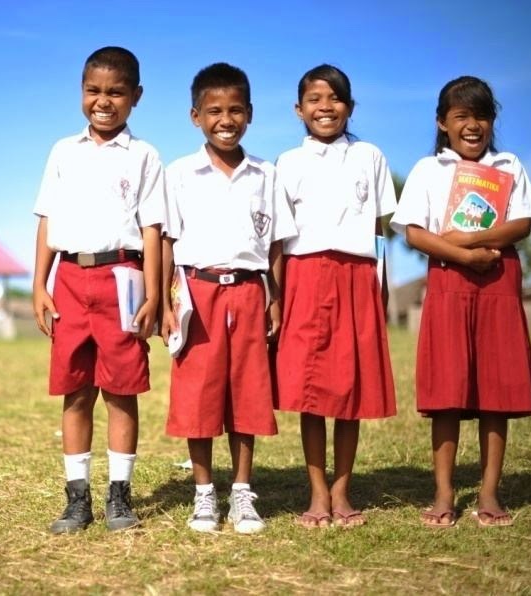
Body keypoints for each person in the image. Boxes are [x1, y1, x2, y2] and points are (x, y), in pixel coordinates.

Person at [390, 76, 531, 528]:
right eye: (461, 116)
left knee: (496, 387)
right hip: (446, 282)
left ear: (492, 121)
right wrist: (461, 254)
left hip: (498, 278)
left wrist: (471, 239)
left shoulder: (509, 164)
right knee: (447, 391)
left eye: (481, 115)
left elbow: (521, 225)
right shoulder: (427, 170)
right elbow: (416, 233)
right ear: (443, 123)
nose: (472, 125)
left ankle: (490, 492)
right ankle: (444, 492)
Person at [32, 46, 164, 534]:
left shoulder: (146, 155)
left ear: (135, 97)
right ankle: (77, 497)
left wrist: (153, 292)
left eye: (115, 92)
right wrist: (38, 284)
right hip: (69, 278)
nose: (103, 101)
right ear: (81, 92)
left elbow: (152, 229)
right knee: (76, 389)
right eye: (93, 91)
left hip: (122, 278)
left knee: (122, 390)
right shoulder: (63, 151)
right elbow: (48, 219)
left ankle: (119, 496)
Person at [161, 63, 296, 534]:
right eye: (214, 110)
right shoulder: (179, 173)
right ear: (195, 115)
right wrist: (163, 302)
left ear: (251, 114)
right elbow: (164, 241)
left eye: (235, 110)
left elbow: (276, 244)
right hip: (197, 293)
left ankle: (241, 493)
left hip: (247, 291)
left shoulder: (266, 173)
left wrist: (273, 296)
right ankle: (203, 494)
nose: (226, 119)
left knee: (247, 392)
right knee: (198, 394)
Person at [274, 64, 397, 529]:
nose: (325, 108)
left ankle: (343, 491)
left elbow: (379, 230)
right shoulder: (287, 163)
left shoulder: (369, 155)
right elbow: (280, 242)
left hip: (357, 274)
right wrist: (278, 296)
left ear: (350, 106)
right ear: (299, 108)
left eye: (335, 99)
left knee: (350, 385)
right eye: (314, 99)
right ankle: (317, 492)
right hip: (304, 274)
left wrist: (380, 288)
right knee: (310, 388)